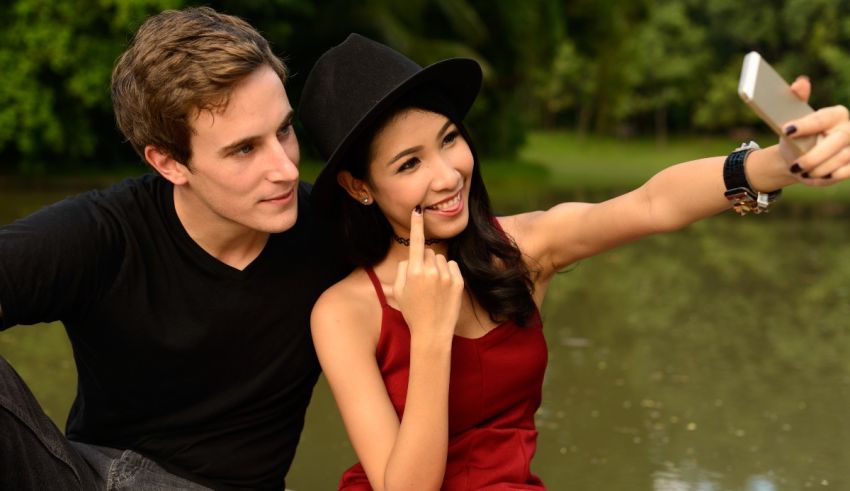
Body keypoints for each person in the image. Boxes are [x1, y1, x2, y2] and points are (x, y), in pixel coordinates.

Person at [299, 34, 850, 490]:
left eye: (449, 140)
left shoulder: (518, 251)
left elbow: (650, 204)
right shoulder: (345, 311)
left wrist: (778, 164)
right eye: (409, 163)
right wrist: (430, 334)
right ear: (359, 186)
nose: (446, 175)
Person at [0, 7, 346, 490]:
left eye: (284, 131)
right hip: (91, 477)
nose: (286, 169)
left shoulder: (335, 226)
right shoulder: (104, 233)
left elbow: (472, 241)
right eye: (245, 149)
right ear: (169, 163)